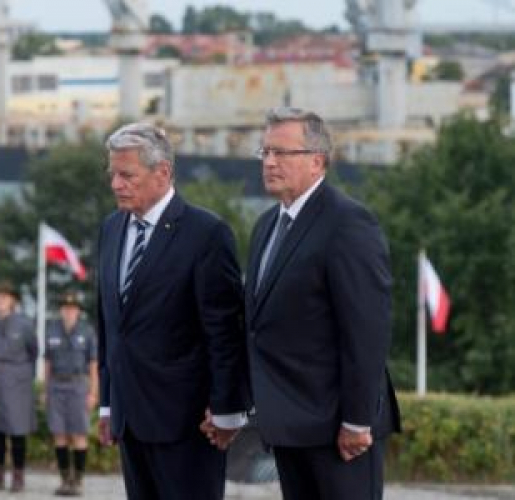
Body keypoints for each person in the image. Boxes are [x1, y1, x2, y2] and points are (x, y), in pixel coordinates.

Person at [243, 107, 401, 499]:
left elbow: (366, 331)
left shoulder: (348, 223)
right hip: (289, 424)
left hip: (338, 430)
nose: (269, 162)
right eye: (264, 152)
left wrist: (357, 419)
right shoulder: (267, 226)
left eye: (281, 152)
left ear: (317, 161)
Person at [96, 122, 250, 499]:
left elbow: (224, 330)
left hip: (188, 423)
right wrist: (107, 402)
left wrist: (227, 408)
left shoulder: (206, 233)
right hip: (130, 418)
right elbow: (110, 321)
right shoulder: (112, 228)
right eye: (112, 174)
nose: (116, 184)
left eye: (127, 175)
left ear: (162, 172)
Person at [0, 280, 38, 493]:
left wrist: (22, 374)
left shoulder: (25, 324)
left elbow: (33, 352)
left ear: (13, 301)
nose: (0, 300)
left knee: (18, 430)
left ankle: (18, 476)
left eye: (5, 296)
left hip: (17, 381)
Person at [44, 291, 98, 497]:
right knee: (59, 435)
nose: (69, 312)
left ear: (78, 311)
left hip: (78, 386)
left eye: (73, 309)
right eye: (65, 309)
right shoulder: (52, 330)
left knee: (79, 434)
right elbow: (47, 362)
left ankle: (78, 481)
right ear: (61, 310)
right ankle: (65, 479)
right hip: (56, 385)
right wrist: (46, 390)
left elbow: (93, 364)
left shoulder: (87, 331)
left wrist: (93, 393)